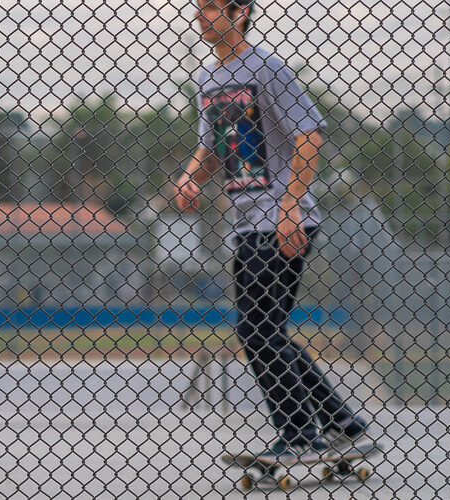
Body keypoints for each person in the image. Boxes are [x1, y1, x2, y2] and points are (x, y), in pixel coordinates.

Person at [173, 0, 370, 461]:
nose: (199, 16)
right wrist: (189, 179)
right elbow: (211, 145)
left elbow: (309, 135)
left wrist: (289, 207)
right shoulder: (207, 78)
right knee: (266, 329)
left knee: (256, 328)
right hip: (245, 221)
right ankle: (340, 421)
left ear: (240, 12)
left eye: (211, 8)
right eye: (196, 8)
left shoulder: (269, 68)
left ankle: (301, 435)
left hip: (283, 219)